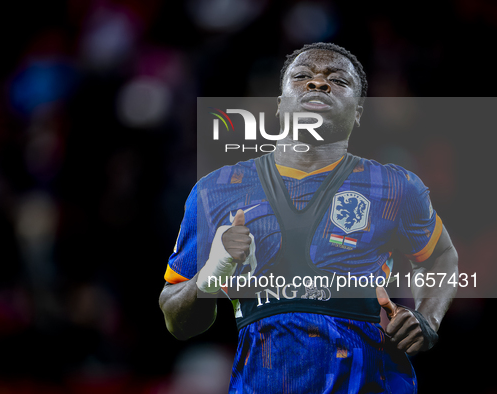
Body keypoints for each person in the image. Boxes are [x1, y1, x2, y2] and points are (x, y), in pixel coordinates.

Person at [159, 42, 458, 393]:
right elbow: (177, 320)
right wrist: (207, 279)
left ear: (359, 111)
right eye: (302, 77)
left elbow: (440, 256)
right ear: (280, 103)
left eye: (338, 80)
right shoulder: (215, 191)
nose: (318, 83)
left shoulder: (396, 186)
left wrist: (428, 318)